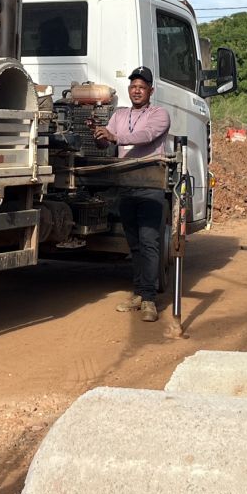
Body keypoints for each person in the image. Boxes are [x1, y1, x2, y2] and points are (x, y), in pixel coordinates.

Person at [90, 67, 173, 322]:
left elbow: (145, 137)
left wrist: (114, 136)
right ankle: (139, 293)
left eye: (142, 86)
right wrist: (100, 135)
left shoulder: (159, 114)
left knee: (150, 242)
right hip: (126, 185)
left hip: (150, 185)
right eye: (133, 86)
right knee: (134, 244)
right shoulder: (119, 114)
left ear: (150, 91)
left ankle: (149, 299)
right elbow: (107, 144)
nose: (136, 90)